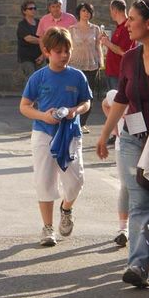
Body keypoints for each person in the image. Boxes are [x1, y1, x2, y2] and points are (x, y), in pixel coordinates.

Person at [97, 0, 149, 288]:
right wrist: (104, 135)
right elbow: (121, 99)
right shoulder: (130, 58)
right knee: (140, 201)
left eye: (132, 19)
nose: (127, 24)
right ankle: (137, 265)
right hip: (133, 138)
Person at [20, 27, 92, 247]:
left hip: (70, 133)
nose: (63, 55)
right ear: (48, 51)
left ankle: (66, 208)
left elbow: (86, 102)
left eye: (67, 50)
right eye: (58, 51)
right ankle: (48, 228)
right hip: (43, 133)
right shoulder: (38, 77)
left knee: (76, 181)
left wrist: (75, 111)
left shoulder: (77, 76)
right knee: (44, 180)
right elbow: (24, 106)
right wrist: (44, 115)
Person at [69, 2, 103, 134]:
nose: (86, 13)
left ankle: (83, 123)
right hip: (75, 64)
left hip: (91, 64)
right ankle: (72, 120)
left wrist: (101, 61)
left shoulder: (96, 29)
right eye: (84, 10)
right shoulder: (71, 29)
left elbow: (98, 46)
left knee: (88, 95)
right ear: (79, 13)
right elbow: (68, 47)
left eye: (88, 11)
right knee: (73, 94)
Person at [101, 89, 129, 247]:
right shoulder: (115, 94)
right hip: (123, 146)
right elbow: (105, 105)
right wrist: (112, 127)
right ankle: (123, 229)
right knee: (126, 186)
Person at [100, 0, 135, 91]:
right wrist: (107, 41)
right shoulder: (120, 27)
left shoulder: (126, 28)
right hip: (113, 72)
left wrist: (107, 43)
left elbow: (123, 51)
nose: (110, 13)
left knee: (117, 102)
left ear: (114, 10)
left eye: (110, 10)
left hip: (118, 73)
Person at [16, 0, 45, 84]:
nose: (33, 10)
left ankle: (38, 97)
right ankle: (28, 97)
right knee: (31, 77)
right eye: (30, 8)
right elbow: (29, 38)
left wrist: (42, 55)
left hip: (39, 56)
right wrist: (41, 40)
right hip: (26, 57)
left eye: (34, 8)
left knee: (40, 79)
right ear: (24, 11)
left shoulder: (39, 22)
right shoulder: (22, 25)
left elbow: (45, 37)